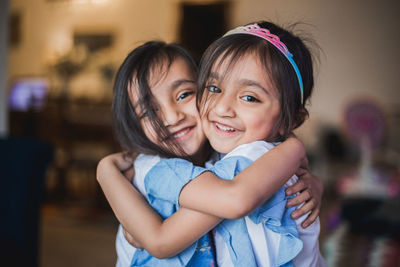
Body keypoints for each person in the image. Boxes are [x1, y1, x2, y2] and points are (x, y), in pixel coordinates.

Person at [97, 25, 324, 266]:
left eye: (184, 95)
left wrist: (313, 182)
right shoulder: (154, 169)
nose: (172, 118)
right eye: (149, 111)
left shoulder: (233, 153)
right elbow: (163, 239)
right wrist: (105, 171)